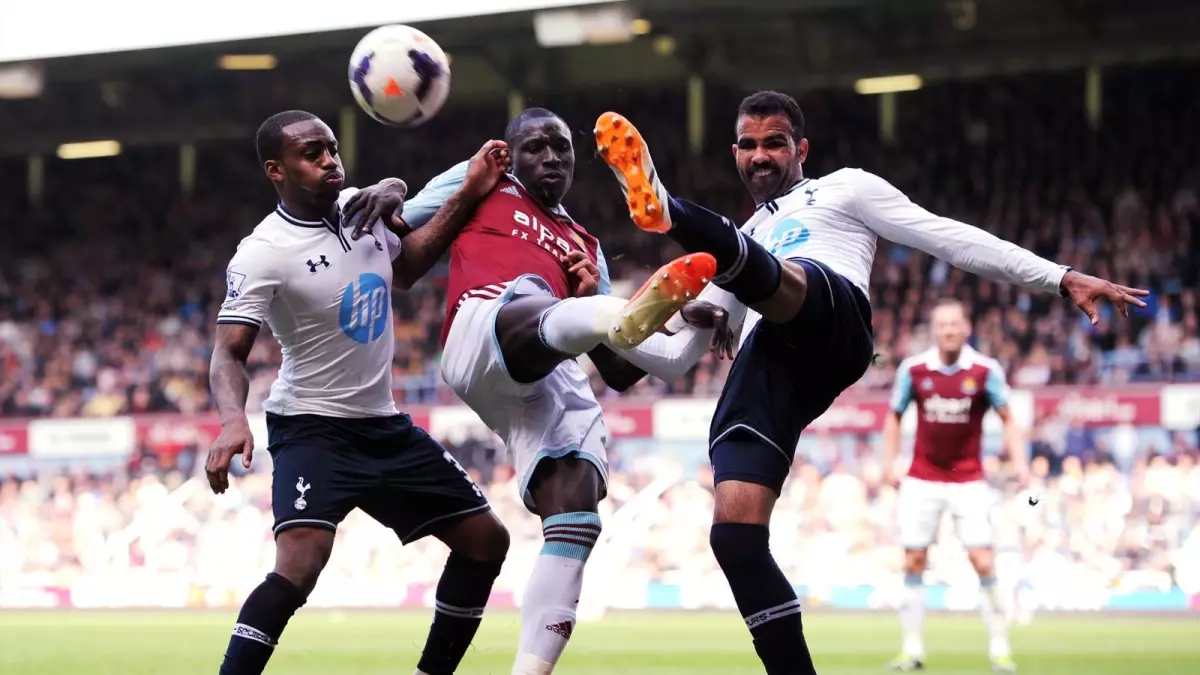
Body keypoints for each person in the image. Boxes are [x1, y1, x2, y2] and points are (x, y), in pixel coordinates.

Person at [592, 92, 1148, 675]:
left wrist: (1059, 277)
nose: (761, 156)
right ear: (735, 153)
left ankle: (665, 208)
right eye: (749, 145)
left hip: (831, 317)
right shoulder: (742, 241)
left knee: (778, 275)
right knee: (734, 537)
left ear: (800, 149)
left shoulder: (845, 188)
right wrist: (600, 309)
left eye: (774, 142)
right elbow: (671, 363)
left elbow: (949, 238)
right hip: (768, 364)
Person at [370, 107, 730, 675]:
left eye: (562, 148)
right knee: (545, 295)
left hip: (542, 376)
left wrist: (606, 298)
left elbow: (615, 371)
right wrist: (392, 188)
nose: (552, 157)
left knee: (578, 517)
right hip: (484, 325)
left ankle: (683, 335)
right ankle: (645, 309)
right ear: (511, 153)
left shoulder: (583, 241)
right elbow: (392, 237)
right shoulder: (485, 174)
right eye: (536, 146)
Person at [206, 110, 512, 675]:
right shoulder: (263, 251)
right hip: (312, 427)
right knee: (300, 566)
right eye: (311, 153)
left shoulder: (361, 212)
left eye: (331, 148)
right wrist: (232, 420)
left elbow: (411, 265)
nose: (330, 160)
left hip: (383, 425)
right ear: (276, 170)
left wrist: (462, 193)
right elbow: (229, 351)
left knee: (486, 541)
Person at [883, 299, 1027, 673]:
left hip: (968, 480)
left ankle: (1000, 650)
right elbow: (894, 416)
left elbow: (1009, 418)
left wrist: (1021, 464)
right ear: (934, 329)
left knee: (983, 561)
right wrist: (888, 463)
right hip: (922, 478)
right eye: (941, 324)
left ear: (967, 327)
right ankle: (911, 651)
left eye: (954, 324)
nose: (948, 330)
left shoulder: (984, 370)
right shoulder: (913, 369)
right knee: (914, 560)